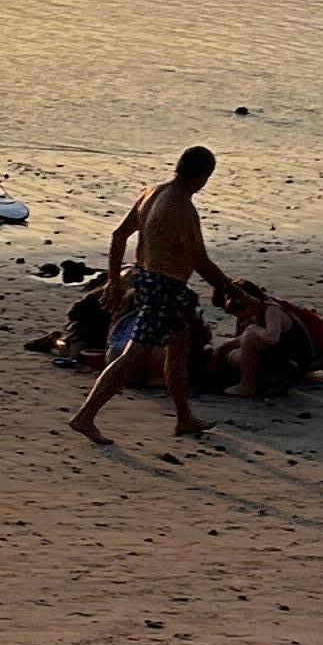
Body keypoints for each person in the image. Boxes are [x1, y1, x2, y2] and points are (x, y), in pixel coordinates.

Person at [69, 144, 233, 444]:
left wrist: (115, 281)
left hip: (148, 280)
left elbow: (119, 236)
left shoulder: (152, 192)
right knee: (134, 354)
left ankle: (184, 418)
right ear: (204, 176)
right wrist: (236, 293)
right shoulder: (182, 208)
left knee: (179, 347)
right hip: (163, 288)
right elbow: (202, 263)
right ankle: (85, 416)